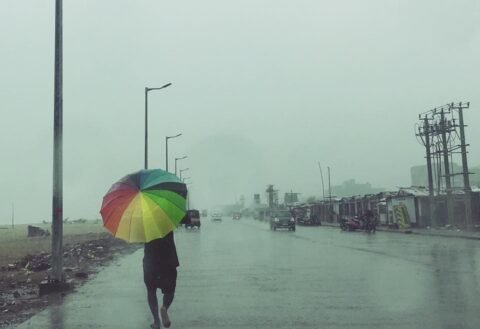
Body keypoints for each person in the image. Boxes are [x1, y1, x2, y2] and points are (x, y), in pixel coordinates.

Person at [143, 231, 179, 329]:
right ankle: (164, 308)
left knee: (151, 291)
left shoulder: (143, 222)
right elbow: (186, 219)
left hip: (151, 260)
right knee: (170, 290)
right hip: (168, 259)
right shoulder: (167, 218)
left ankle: (156, 321)